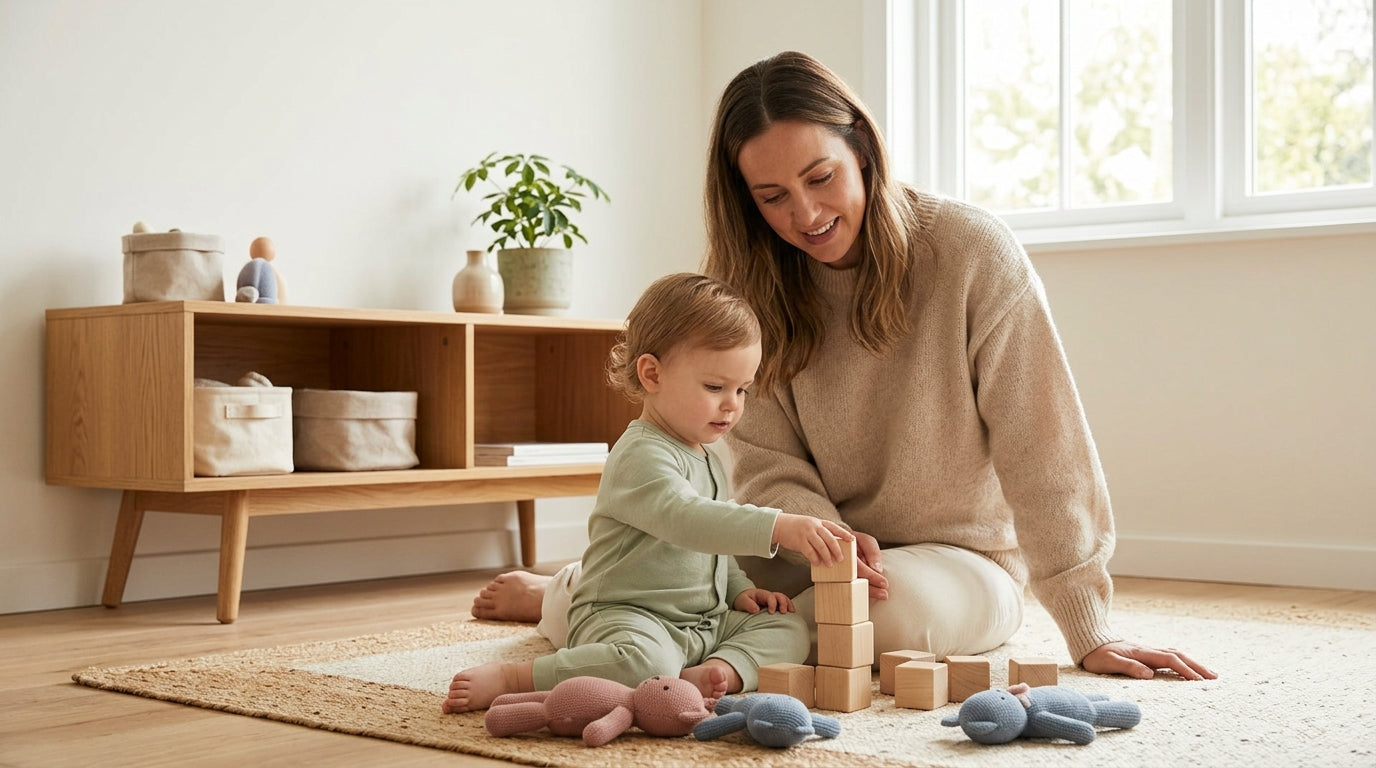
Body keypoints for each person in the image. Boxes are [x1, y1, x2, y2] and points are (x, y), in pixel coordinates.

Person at [472, 50, 1216, 683]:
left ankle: (573, 601)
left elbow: (1045, 446)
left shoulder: (971, 252)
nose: (805, 213)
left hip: (960, 561)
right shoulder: (745, 290)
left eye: (820, 177)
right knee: (695, 593)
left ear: (861, 146)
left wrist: (1089, 628)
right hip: (813, 545)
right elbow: (762, 459)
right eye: (772, 196)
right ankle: (580, 598)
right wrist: (824, 542)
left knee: (879, 626)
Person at [444, 272, 854, 713]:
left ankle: (715, 670)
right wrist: (777, 525)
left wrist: (738, 588)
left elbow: (711, 549)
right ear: (652, 374)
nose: (732, 404)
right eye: (715, 387)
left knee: (787, 627)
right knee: (643, 662)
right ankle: (519, 676)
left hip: (701, 622)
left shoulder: (707, 455)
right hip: (628, 616)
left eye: (742, 390)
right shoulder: (640, 454)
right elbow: (686, 518)